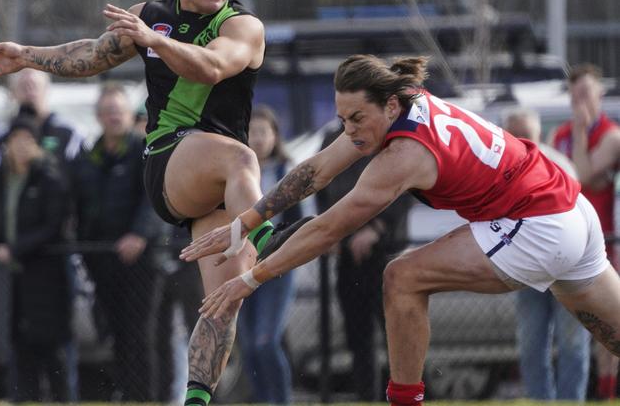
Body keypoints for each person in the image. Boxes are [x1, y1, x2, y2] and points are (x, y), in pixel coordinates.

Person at [182, 54, 620, 406]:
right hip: (571, 211)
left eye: (356, 118)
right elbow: (316, 170)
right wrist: (246, 222)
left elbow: (328, 229)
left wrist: (251, 278)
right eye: (343, 119)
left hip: (536, 224)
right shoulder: (403, 96)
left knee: (401, 278)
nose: (349, 131)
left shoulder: (403, 156)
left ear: (389, 106)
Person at [0, 0, 284, 403]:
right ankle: (268, 235)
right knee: (241, 156)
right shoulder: (150, 16)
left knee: (224, 302)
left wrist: (153, 41)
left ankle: (197, 398)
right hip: (170, 161)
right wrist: (26, 55)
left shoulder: (243, 25)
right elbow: (90, 56)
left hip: (218, 183)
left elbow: (213, 66)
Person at [72, 83, 164, 401]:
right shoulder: (89, 156)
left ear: (128, 115)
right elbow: (80, 204)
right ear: (99, 116)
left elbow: (155, 198)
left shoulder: (145, 150)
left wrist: (139, 234)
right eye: (108, 111)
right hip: (102, 259)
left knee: (140, 332)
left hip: (142, 260)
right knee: (115, 332)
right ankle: (125, 392)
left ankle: (144, 397)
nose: (114, 117)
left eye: (119, 111)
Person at [0, 115, 73, 402]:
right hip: (9, 275)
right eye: (15, 141)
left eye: (27, 141)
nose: (20, 147)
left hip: (43, 272)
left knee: (50, 341)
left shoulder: (49, 177)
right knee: (19, 341)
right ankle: (24, 397)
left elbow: (53, 225)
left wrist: (15, 249)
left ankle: (63, 397)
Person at [316, 119, 411, 401]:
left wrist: (376, 229)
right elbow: (322, 188)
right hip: (347, 254)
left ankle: (409, 394)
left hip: (387, 253)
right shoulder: (333, 139)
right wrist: (329, 234)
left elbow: (404, 191)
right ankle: (366, 397)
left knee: (396, 331)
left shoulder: (389, 136)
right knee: (357, 336)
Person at [502, 107, 590, 401]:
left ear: (539, 135)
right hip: (528, 272)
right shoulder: (500, 170)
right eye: (515, 135)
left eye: (526, 135)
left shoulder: (560, 165)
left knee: (573, 344)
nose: (521, 141)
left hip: (568, 270)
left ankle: (570, 402)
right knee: (530, 345)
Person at [551, 63, 620, 400]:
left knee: (610, 321)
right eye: (575, 94)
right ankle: (598, 391)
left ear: (599, 94)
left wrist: (580, 132)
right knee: (587, 325)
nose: (580, 100)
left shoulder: (609, 135)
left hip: (606, 243)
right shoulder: (559, 135)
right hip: (568, 242)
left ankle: (607, 392)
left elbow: (582, 175)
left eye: (586, 93)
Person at [236, 105, 302, 404]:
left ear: (275, 136)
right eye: (253, 132)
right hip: (241, 268)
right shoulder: (235, 173)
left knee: (266, 341)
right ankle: (262, 399)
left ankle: (281, 400)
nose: (258, 138)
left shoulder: (287, 173)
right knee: (247, 345)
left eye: (264, 132)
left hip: (276, 268)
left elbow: (302, 222)